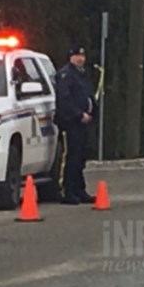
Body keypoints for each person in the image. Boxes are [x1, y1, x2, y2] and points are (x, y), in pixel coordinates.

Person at [54, 43, 97, 205]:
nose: (80, 59)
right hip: (71, 123)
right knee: (71, 157)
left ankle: (80, 189)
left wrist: (92, 112)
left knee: (80, 157)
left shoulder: (82, 75)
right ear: (71, 57)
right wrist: (79, 114)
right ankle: (68, 191)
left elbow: (87, 95)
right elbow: (64, 100)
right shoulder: (66, 75)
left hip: (84, 122)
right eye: (77, 56)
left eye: (82, 56)